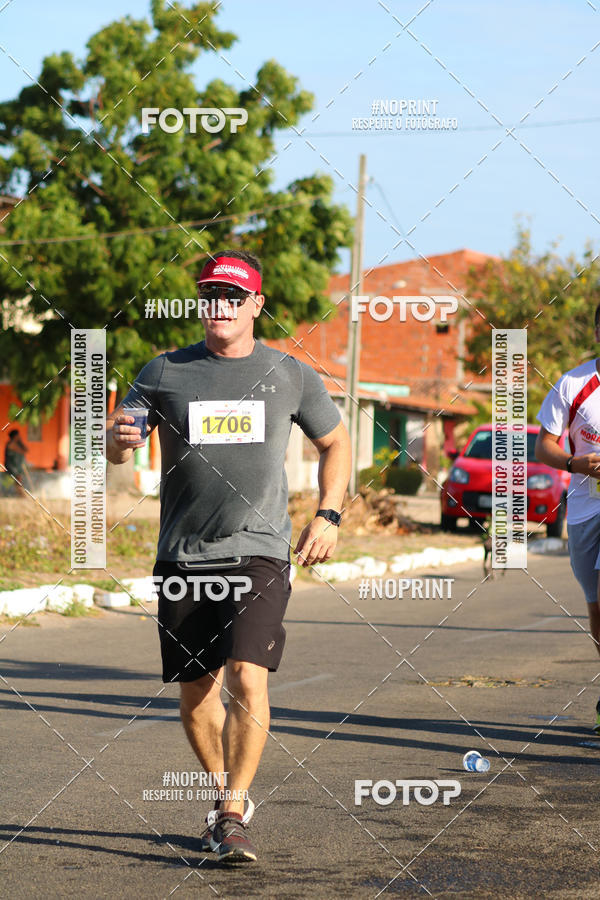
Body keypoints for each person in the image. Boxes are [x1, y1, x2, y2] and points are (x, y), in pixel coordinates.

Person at [106, 249, 351, 863]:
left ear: (256, 305)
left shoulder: (289, 373)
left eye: (233, 295)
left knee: (247, 676)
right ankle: (217, 798)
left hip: (260, 551)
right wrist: (116, 438)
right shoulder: (163, 371)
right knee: (196, 694)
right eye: (210, 294)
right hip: (183, 556)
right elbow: (118, 442)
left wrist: (329, 512)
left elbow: (336, 441)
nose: (220, 304)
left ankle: (236, 810)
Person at [535, 302, 600, 732]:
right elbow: (544, 446)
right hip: (584, 509)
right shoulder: (574, 382)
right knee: (597, 611)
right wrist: (578, 464)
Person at [4, 429, 29, 496]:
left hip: (17, 466)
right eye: (18, 435)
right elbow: (22, 451)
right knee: (17, 478)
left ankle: (20, 493)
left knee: (18, 479)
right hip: (11, 466)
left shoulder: (17, 443)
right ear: (15, 436)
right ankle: (21, 494)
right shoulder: (11, 444)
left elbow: (26, 450)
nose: (19, 436)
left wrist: (20, 442)